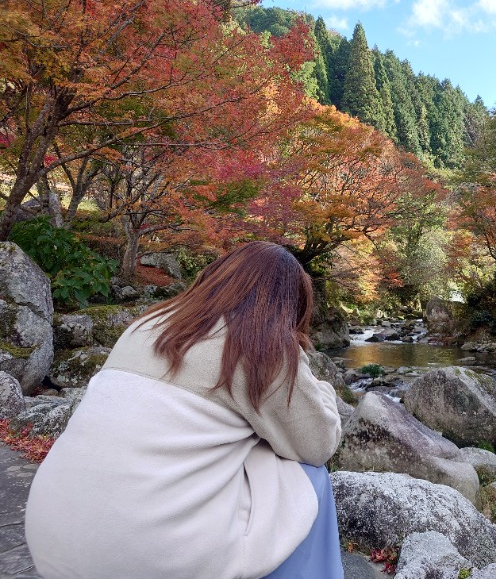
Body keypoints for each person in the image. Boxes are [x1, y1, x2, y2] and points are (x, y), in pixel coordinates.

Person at [25, 242, 344, 579]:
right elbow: (318, 444)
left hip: (51, 539)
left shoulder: (148, 324)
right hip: (142, 562)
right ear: (289, 306)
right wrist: (311, 374)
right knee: (309, 475)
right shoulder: (260, 346)